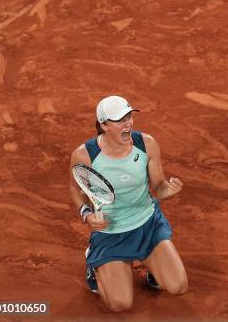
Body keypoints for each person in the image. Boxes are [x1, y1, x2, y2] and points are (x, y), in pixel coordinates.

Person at [69, 95, 188, 312]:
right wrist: (86, 214)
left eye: (130, 117)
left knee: (178, 286)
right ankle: (94, 265)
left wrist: (167, 190)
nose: (129, 124)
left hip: (147, 225)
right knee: (120, 304)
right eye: (120, 120)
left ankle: (154, 268)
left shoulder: (146, 144)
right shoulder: (85, 155)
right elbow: (75, 189)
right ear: (104, 125)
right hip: (111, 233)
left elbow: (158, 186)